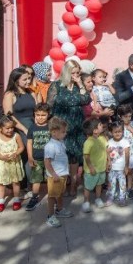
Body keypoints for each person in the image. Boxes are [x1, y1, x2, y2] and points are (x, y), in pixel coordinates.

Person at [47, 60, 91, 196]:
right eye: (73, 73)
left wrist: (80, 84)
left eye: (78, 73)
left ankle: (73, 186)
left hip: (77, 126)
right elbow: (50, 105)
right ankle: (62, 185)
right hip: (62, 127)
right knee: (62, 156)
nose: (76, 75)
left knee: (75, 157)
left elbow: (86, 99)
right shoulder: (57, 86)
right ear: (67, 72)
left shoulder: (78, 86)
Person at [2, 67, 37, 165]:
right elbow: (9, 116)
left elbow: (37, 111)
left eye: (29, 78)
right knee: (27, 154)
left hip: (32, 125)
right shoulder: (10, 95)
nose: (28, 81)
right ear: (16, 81)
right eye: (25, 79)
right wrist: (24, 129)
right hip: (19, 127)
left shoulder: (31, 93)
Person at [44, 117, 73, 227]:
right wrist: (53, 174)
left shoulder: (60, 142)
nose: (65, 133)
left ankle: (59, 209)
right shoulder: (50, 146)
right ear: (54, 132)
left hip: (62, 174)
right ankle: (50, 216)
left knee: (60, 193)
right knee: (52, 196)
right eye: (63, 132)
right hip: (55, 176)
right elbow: (47, 162)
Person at [0, 115, 25, 213]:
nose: (10, 130)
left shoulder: (16, 136)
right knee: (1, 183)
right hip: (3, 164)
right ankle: (1, 201)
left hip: (14, 163)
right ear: (0, 128)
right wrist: (1, 157)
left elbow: (21, 147)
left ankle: (16, 200)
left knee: (15, 182)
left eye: (12, 127)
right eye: (7, 128)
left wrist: (16, 153)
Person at [23, 103, 51, 211]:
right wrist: (30, 157)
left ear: (48, 114)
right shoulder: (32, 127)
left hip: (49, 159)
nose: (40, 117)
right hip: (36, 159)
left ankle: (52, 196)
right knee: (36, 180)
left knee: (50, 178)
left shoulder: (51, 127)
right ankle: (34, 198)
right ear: (34, 115)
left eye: (43, 115)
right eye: (38, 115)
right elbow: (29, 143)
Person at [81, 118, 108, 212]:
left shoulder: (102, 138)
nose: (102, 126)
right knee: (88, 186)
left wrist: (109, 161)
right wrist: (91, 167)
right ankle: (86, 202)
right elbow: (86, 156)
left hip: (101, 168)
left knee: (99, 184)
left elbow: (106, 150)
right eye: (100, 125)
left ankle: (98, 198)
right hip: (91, 170)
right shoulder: (88, 142)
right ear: (95, 130)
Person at [117, 104, 133, 199]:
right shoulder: (117, 125)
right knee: (120, 172)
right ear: (120, 116)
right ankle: (121, 189)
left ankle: (130, 189)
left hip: (130, 153)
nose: (128, 118)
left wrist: (131, 129)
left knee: (129, 172)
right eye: (126, 116)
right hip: (119, 153)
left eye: (130, 116)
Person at [106, 121, 130, 207]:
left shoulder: (125, 142)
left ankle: (122, 198)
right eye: (115, 132)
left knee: (122, 185)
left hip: (121, 168)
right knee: (111, 184)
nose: (117, 133)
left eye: (119, 131)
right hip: (112, 168)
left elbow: (127, 154)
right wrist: (108, 162)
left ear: (123, 131)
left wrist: (126, 166)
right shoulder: (109, 142)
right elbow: (107, 153)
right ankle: (111, 197)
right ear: (111, 132)